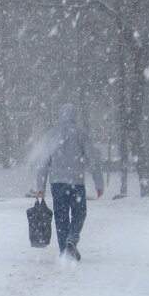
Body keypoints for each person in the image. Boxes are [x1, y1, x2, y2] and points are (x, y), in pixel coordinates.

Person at [34, 103, 104, 261]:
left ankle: (64, 250)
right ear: (74, 115)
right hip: (76, 183)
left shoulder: (51, 135)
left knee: (61, 216)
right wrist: (99, 183)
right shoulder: (81, 133)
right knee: (79, 212)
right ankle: (72, 238)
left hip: (57, 183)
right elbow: (93, 160)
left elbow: (43, 162)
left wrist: (40, 187)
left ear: (61, 115)